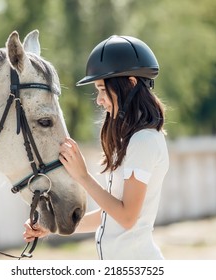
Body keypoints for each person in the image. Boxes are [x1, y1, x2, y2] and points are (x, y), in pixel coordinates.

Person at [23, 35, 169, 260]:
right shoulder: (132, 140)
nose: (99, 100)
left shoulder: (144, 142)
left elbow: (127, 217)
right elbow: (109, 215)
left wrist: (83, 177)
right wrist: (53, 226)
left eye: (102, 89)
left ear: (130, 83)